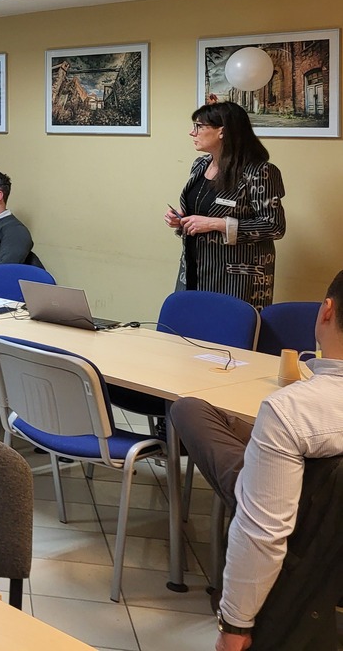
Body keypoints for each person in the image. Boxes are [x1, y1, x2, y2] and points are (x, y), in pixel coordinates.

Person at [169, 270, 343, 649]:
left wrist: (234, 625)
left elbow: (263, 533)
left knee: (188, 409)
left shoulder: (292, 410)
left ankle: (255, 455)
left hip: (292, 515)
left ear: (326, 311)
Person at [162, 102, 286, 308]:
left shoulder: (260, 171)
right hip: (193, 270)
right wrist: (182, 218)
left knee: (226, 327)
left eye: (199, 126)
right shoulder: (200, 165)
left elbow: (274, 226)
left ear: (222, 131)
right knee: (188, 324)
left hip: (236, 279)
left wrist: (216, 224)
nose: (192, 132)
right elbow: (202, 210)